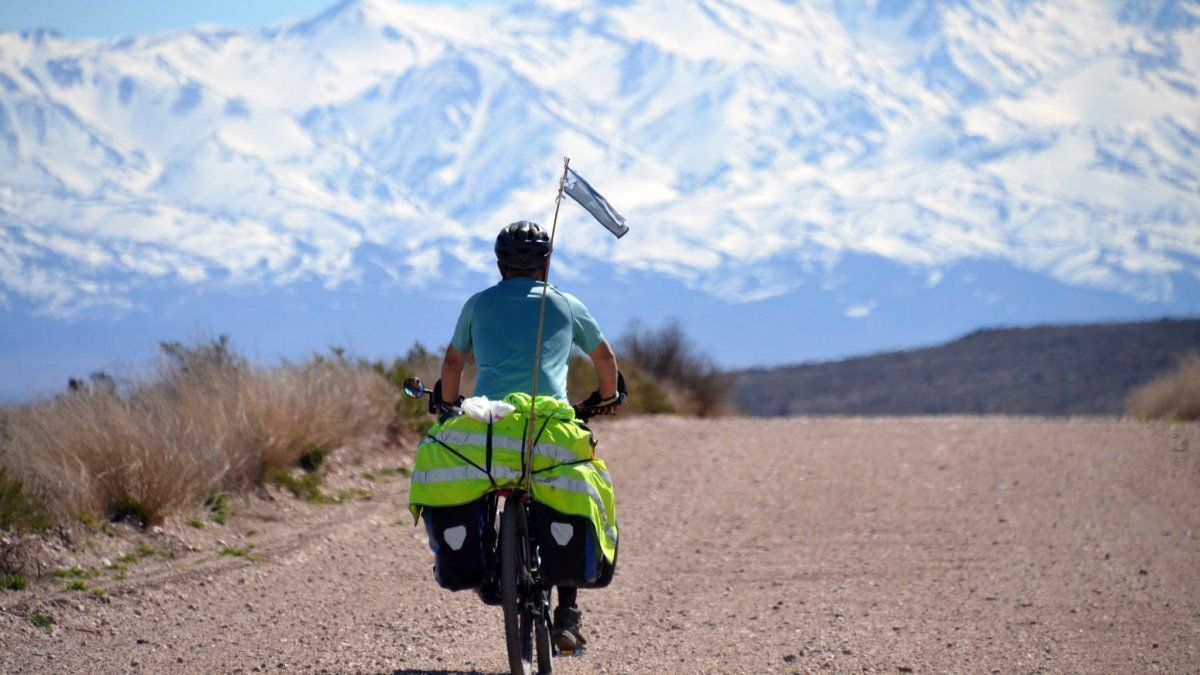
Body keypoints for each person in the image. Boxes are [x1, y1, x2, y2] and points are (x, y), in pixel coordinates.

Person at [436, 220, 623, 653]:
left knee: (481, 478)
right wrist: (607, 397)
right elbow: (604, 358)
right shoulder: (565, 303)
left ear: (500, 264)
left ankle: (489, 566)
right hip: (547, 425)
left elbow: (452, 365)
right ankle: (567, 613)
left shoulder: (478, 304)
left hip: (491, 423)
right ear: (546, 264)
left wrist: (447, 406)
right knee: (569, 493)